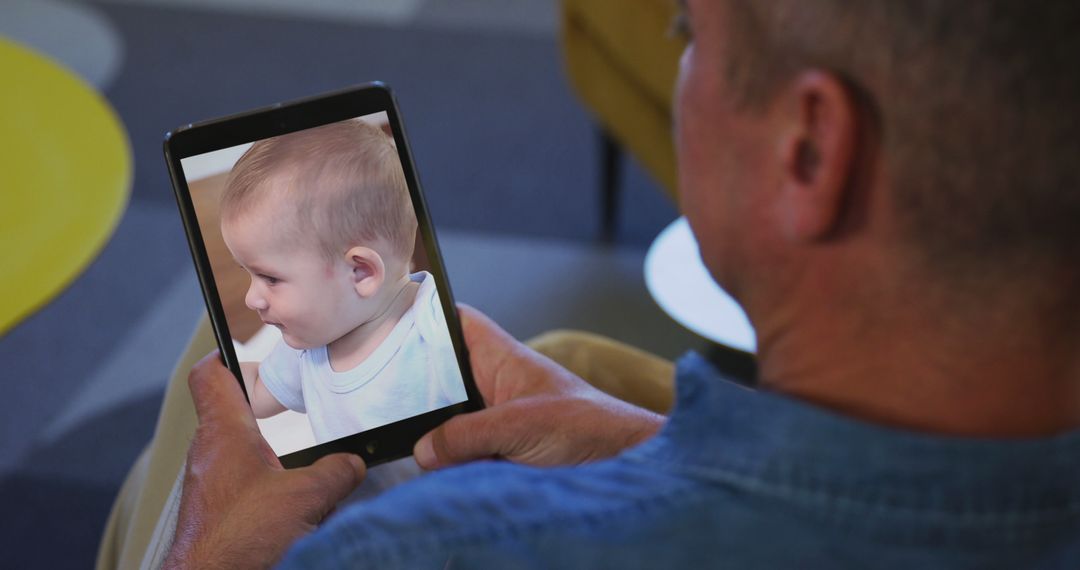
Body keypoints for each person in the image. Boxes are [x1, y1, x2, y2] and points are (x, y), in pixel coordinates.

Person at [100, 0, 1080, 567]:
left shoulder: (427, 552)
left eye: (691, 30)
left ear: (811, 149)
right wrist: (652, 452)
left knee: (175, 459)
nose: (681, 57)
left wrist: (210, 558)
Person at [219, 119, 467, 442]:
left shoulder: (436, 332)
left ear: (360, 272)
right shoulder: (309, 343)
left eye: (270, 278)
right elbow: (256, 393)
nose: (252, 299)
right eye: (249, 274)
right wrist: (219, 377)